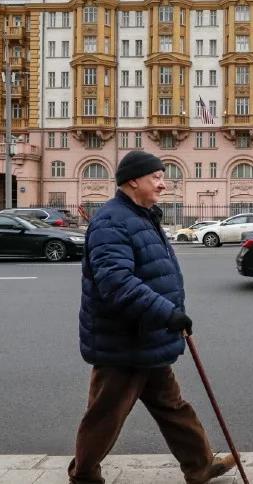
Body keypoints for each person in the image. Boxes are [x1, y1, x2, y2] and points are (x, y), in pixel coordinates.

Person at [69, 150, 237, 484]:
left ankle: (200, 464)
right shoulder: (113, 221)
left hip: (146, 336)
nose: (163, 185)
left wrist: (168, 316)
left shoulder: (141, 215)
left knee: (172, 406)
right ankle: (84, 475)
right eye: (156, 178)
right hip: (124, 341)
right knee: (105, 414)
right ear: (133, 181)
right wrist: (166, 313)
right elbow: (116, 283)